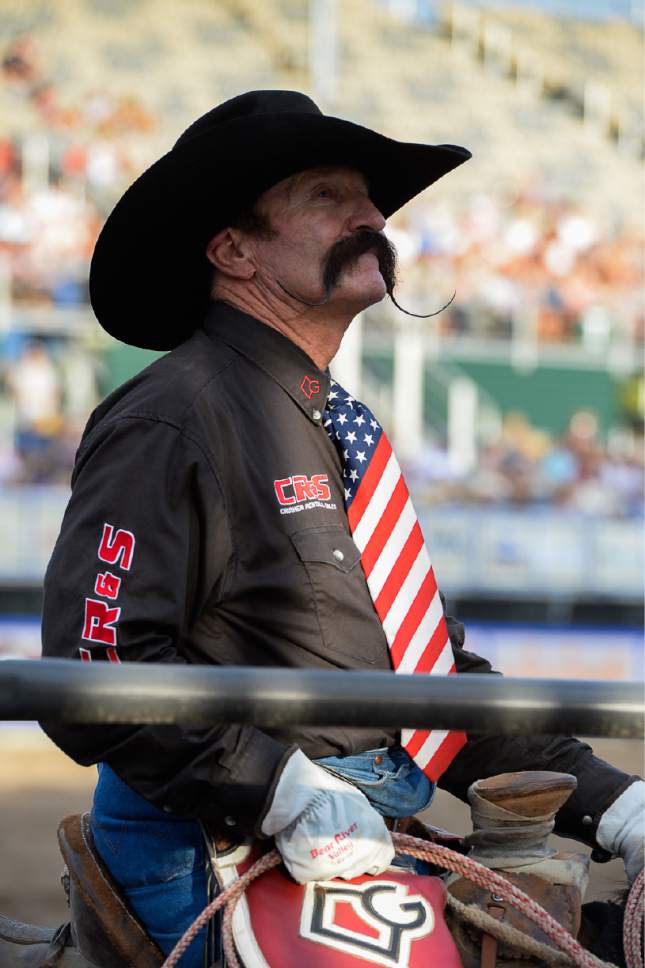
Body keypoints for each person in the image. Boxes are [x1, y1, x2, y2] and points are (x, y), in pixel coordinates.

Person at [40, 90, 643, 965]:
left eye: (368, 199)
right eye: (326, 196)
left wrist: (615, 804)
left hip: (348, 834)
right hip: (218, 852)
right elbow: (95, 663)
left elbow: (427, 681)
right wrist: (276, 788)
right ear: (233, 249)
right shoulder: (173, 416)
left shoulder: (332, 423)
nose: (370, 217)